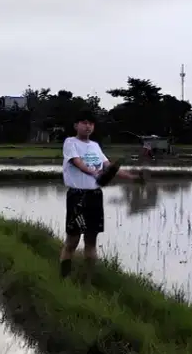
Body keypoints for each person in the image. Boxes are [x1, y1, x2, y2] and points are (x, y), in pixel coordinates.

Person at [59, 110, 141, 278]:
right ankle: (64, 277)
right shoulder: (70, 142)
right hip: (77, 196)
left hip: (95, 196)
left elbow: (108, 166)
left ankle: (89, 278)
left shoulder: (95, 146)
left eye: (91, 123)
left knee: (91, 241)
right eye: (84, 122)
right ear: (76, 125)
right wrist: (93, 172)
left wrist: (131, 177)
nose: (88, 126)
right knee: (72, 241)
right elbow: (77, 162)